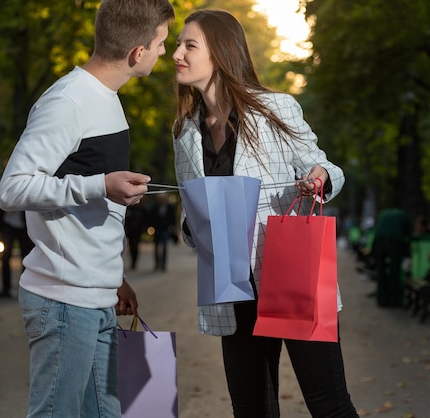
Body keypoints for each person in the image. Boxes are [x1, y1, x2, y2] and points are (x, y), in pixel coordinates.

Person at [172, 9, 359, 417]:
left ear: (220, 52)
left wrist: (318, 176)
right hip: (231, 284)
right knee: (250, 408)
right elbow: (190, 219)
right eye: (177, 44)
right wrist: (194, 225)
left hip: (290, 269)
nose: (176, 54)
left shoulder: (275, 108)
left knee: (329, 404)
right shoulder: (185, 132)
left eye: (189, 45)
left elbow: (329, 169)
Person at [0, 1, 175, 416]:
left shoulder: (107, 99)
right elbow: (12, 189)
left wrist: (115, 277)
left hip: (97, 297)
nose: (165, 52)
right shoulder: (68, 102)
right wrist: (100, 185)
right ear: (137, 53)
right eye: (161, 43)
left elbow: (94, 210)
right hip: (62, 303)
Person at [371, 207, 412, 307]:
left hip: (379, 241)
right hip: (394, 242)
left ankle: (381, 299)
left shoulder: (383, 213)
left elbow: (377, 228)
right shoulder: (403, 216)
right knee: (395, 270)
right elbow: (408, 233)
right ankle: (394, 300)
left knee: (381, 270)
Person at [0, 210, 34, 299]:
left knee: (25, 257)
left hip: (24, 224)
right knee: (5, 256)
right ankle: (6, 288)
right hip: (8, 223)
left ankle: (25, 286)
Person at [148, 193, 177, 271]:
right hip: (157, 229)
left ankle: (163, 264)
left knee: (164, 246)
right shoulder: (154, 207)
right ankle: (157, 263)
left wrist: (172, 227)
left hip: (165, 229)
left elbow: (172, 217)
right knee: (156, 247)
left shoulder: (169, 207)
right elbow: (151, 218)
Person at [124, 201, 146, 270]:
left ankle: (134, 262)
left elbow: (143, 220)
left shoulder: (140, 210)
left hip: (137, 232)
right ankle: (133, 262)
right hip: (131, 231)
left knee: (135, 247)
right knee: (131, 247)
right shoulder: (130, 209)